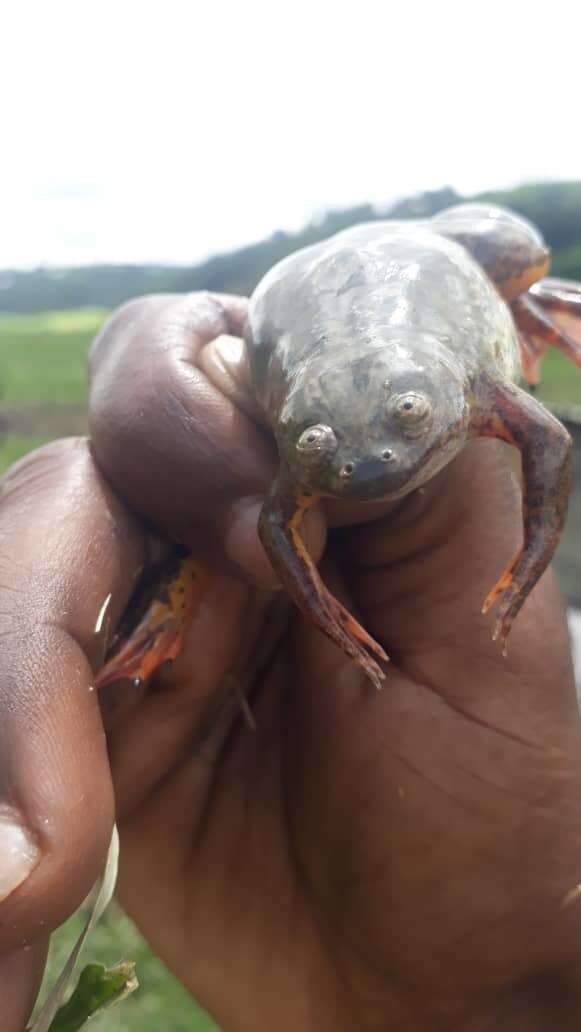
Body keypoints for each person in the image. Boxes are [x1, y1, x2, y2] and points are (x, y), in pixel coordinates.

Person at [1, 291, 581, 1032]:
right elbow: (272, 519)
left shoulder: (458, 383)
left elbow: (546, 441)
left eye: (406, 416)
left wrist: (511, 996)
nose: (370, 464)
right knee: (225, 500)